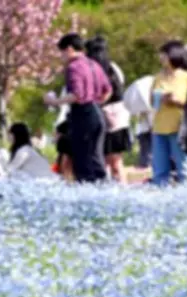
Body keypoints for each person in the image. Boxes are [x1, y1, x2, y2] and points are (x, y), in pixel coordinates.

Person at [45, 33, 112, 183]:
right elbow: (107, 90)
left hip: (83, 115)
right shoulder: (94, 64)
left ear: (69, 49)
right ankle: (102, 188)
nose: (61, 57)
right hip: (97, 113)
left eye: (61, 53)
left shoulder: (74, 67)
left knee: (83, 159)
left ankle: (87, 192)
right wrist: (97, 102)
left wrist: (54, 102)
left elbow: (77, 95)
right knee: (96, 157)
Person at [86, 37, 131, 184]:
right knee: (114, 161)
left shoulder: (93, 69)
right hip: (118, 116)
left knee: (108, 160)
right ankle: (115, 188)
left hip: (107, 117)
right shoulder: (114, 68)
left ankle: (111, 189)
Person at [149, 40, 187, 185]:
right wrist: (159, 97)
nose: (161, 58)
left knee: (184, 167)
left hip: (179, 127)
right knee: (159, 169)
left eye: (164, 55)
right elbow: (151, 101)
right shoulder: (158, 77)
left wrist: (176, 100)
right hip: (159, 127)